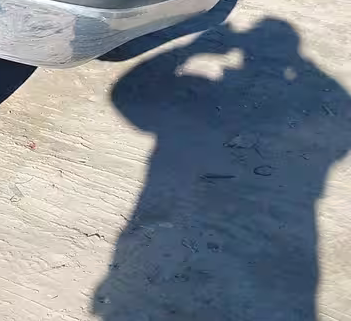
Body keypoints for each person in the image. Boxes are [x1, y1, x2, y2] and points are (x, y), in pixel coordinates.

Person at [94, 18, 351, 320]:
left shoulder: (199, 89)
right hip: (273, 258)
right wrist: (304, 66)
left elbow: (125, 94)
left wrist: (191, 50)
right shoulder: (305, 118)